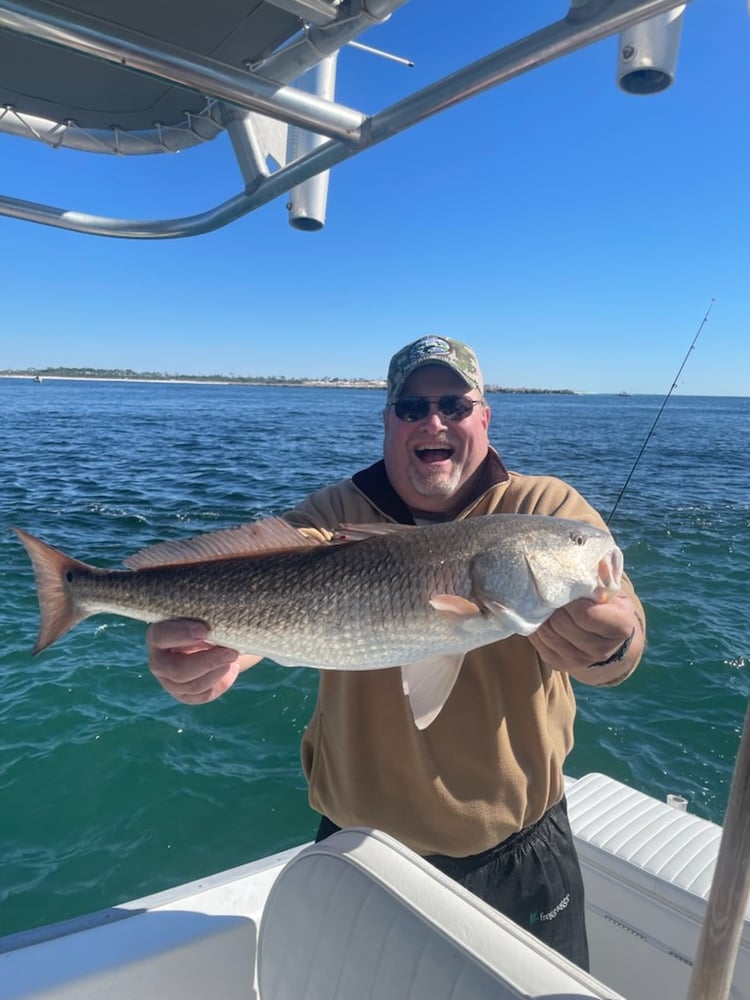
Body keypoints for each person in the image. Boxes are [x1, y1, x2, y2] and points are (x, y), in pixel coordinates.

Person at [147, 335, 645, 970]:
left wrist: (609, 643)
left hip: (519, 850)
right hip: (359, 850)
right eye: (411, 407)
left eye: (454, 405)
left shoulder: (544, 510)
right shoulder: (334, 514)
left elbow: (624, 630)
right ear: (387, 420)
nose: (433, 421)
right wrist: (216, 656)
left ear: (484, 416)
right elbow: (276, 594)